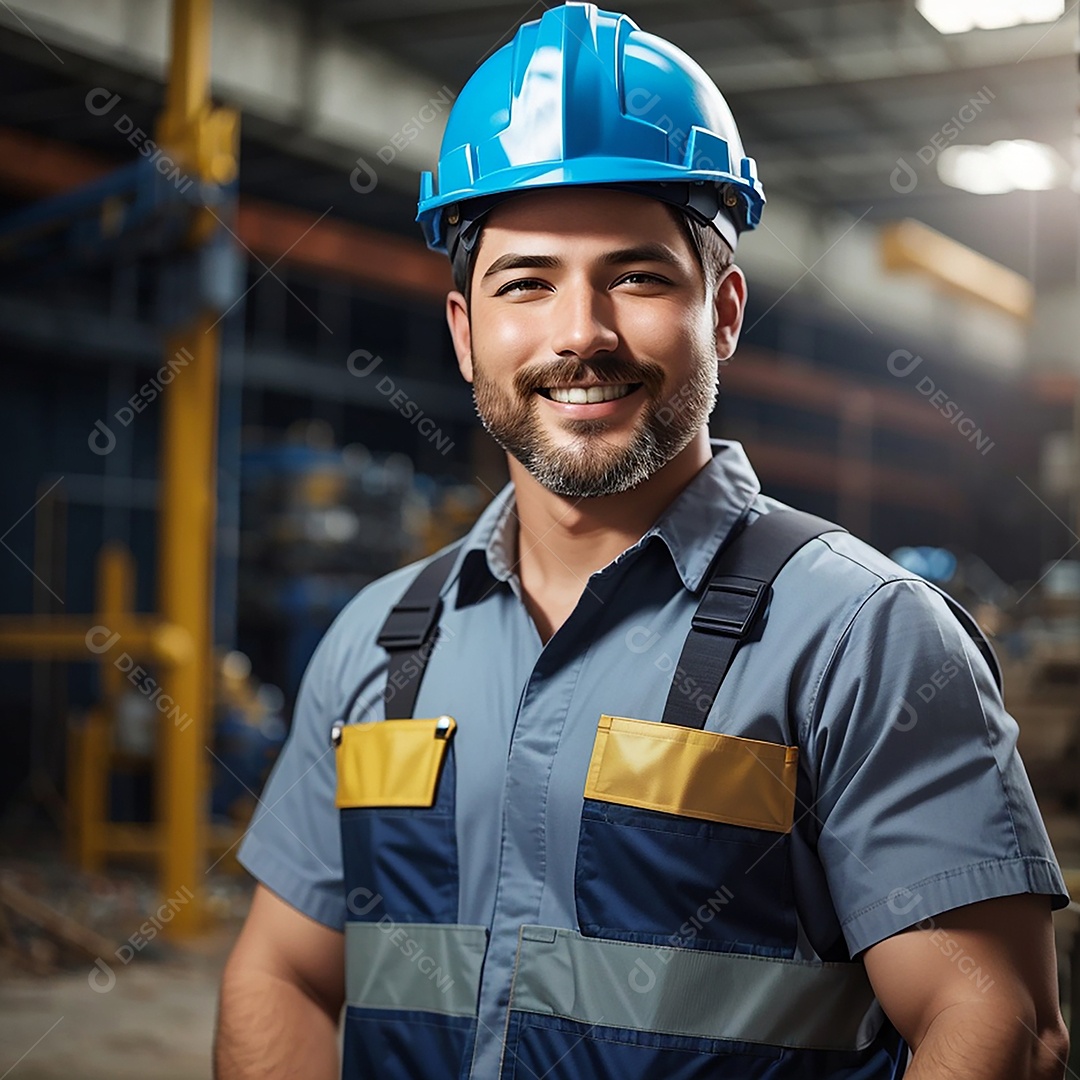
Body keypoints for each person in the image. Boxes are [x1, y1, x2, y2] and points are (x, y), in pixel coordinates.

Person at [214, 4, 1071, 1077]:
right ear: (464, 329)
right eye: (526, 282)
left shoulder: (864, 640)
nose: (582, 332)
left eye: (637, 275)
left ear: (723, 313)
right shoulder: (378, 644)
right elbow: (282, 973)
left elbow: (997, 1025)